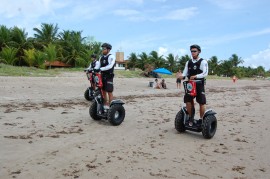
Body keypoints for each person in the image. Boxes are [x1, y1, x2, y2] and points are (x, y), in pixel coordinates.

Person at [180, 44, 208, 126]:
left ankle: (201, 119)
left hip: (199, 84)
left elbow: (205, 73)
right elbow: (185, 73)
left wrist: (196, 76)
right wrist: (181, 77)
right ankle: (191, 118)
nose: (193, 53)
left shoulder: (203, 61)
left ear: (199, 51)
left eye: (194, 51)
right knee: (188, 101)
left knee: (201, 102)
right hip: (190, 84)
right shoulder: (188, 62)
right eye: (191, 51)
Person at [94, 43, 115, 110]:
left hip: (109, 76)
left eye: (104, 49)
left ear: (108, 50)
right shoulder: (101, 57)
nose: (102, 50)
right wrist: (94, 69)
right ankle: (105, 103)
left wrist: (101, 69)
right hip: (102, 76)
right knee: (103, 91)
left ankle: (111, 105)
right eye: (102, 49)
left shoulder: (111, 57)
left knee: (109, 91)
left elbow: (110, 66)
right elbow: (98, 66)